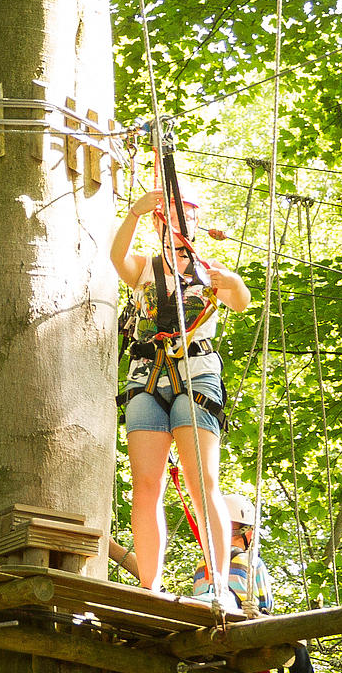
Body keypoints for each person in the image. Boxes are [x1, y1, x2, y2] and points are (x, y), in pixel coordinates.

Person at [111, 187, 251, 603]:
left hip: (195, 375)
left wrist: (234, 281)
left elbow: (240, 302)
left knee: (200, 482)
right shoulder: (146, 268)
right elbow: (117, 257)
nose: (174, 224)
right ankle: (149, 585)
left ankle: (219, 586)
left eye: (181, 216)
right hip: (147, 377)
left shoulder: (210, 270)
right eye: (166, 217)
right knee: (146, 485)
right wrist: (135, 213)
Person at [189, 495, 315, 673]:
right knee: (298, 646)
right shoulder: (251, 561)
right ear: (248, 533)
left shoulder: (203, 563)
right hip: (241, 626)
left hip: (203, 627)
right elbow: (265, 605)